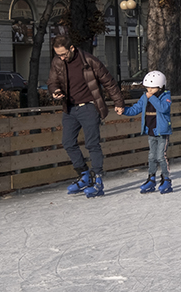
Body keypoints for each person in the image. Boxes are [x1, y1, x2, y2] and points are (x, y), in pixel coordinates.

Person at [47, 36, 125, 197]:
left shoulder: (90, 61)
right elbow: (52, 81)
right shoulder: (57, 62)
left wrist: (119, 102)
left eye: (63, 54)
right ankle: (84, 175)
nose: (61, 57)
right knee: (68, 142)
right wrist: (55, 91)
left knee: (92, 144)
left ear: (72, 48)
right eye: (58, 54)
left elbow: (109, 82)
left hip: (89, 107)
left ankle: (97, 179)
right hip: (69, 108)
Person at [116, 70, 174, 194]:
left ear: (160, 86)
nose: (149, 91)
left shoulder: (165, 96)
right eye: (147, 88)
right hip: (151, 130)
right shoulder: (145, 97)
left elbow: (163, 108)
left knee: (161, 156)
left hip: (162, 132)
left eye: (152, 88)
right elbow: (135, 109)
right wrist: (124, 111)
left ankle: (166, 179)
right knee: (151, 156)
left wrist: (152, 98)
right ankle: (151, 178)